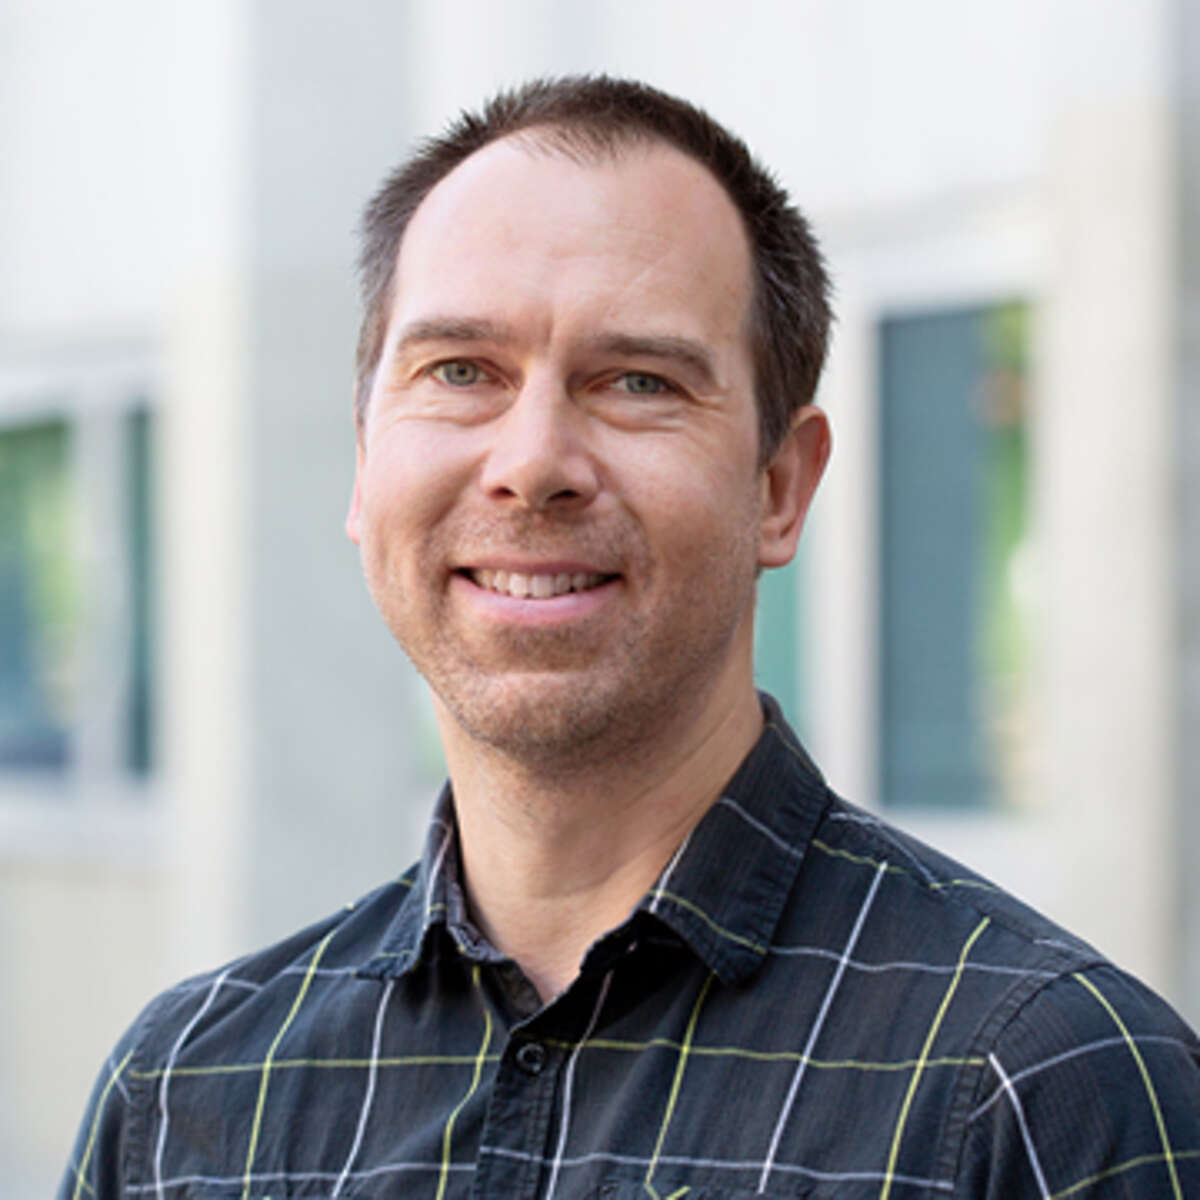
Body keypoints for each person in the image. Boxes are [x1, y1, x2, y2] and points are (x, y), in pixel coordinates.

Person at [62, 75, 1199, 1200]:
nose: (531, 464)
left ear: (780, 488)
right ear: (366, 464)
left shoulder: (1040, 1095)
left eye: (638, 382)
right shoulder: (182, 1101)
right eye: (460, 371)